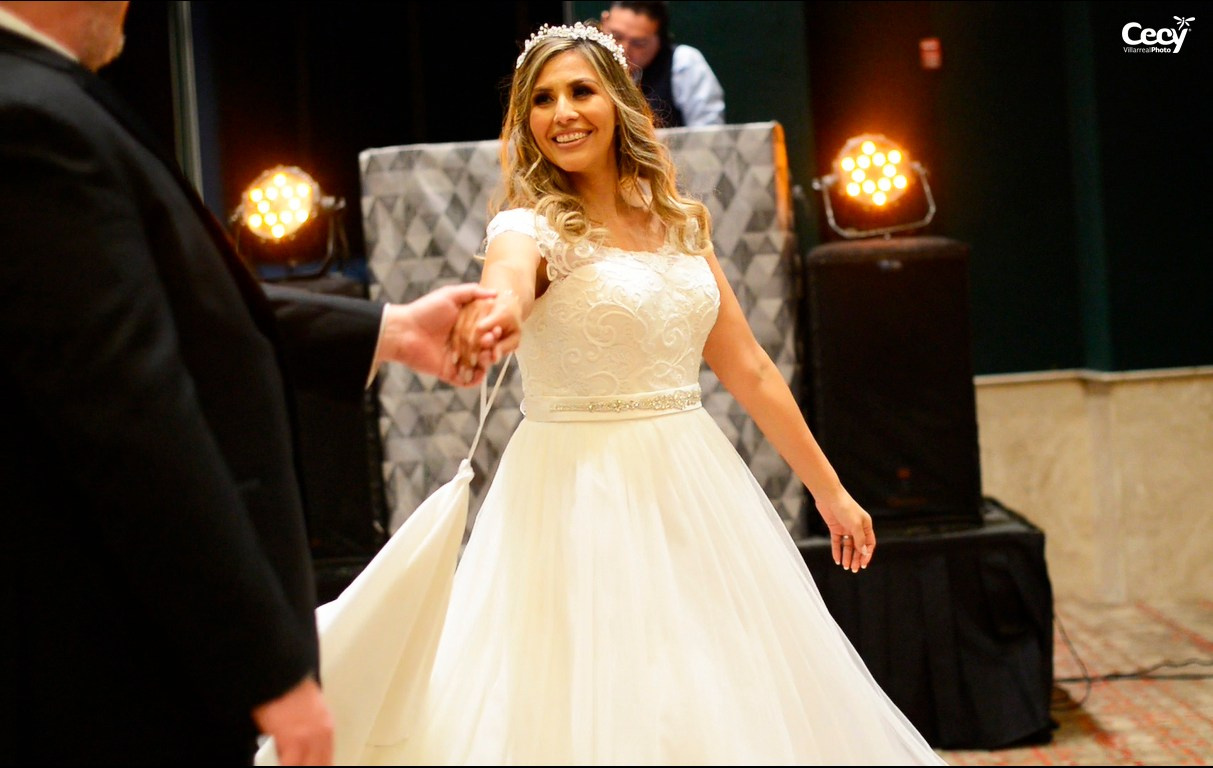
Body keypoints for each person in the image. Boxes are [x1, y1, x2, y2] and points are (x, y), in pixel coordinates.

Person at [312, 22, 947, 765]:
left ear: (618, 103)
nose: (562, 113)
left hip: (693, 487)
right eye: (541, 99)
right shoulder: (527, 225)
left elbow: (748, 366)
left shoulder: (678, 221)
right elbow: (507, 280)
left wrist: (830, 490)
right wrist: (497, 313)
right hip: (574, 496)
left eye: (580, 91)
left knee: (712, 690)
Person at [0, 2, 502, 764]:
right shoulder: (30, 117)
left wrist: (390, 330)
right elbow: (133, 419)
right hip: (106, 649)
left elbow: (174, 305)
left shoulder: (44, 99)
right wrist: (263, 665)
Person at [599, 0, 725, 128]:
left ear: (660, 40)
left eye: (639, 43)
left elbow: (708, 135)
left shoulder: (683, 63)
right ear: (604, 22)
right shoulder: (589, 63)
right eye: (616, 36)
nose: (623, 49)